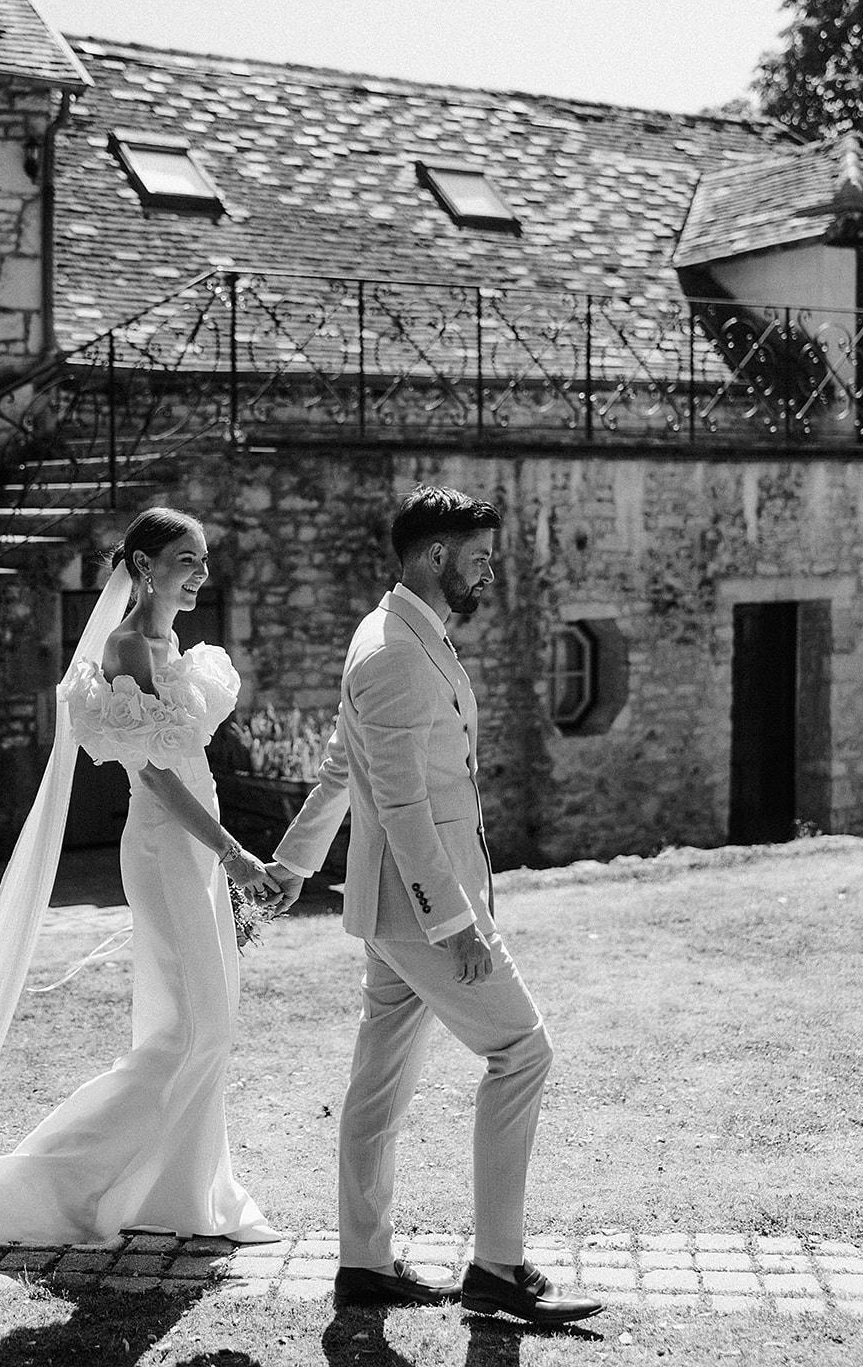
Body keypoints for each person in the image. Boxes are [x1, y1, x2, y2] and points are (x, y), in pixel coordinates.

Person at [266, 486, 603, 1324]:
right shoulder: (392, 655)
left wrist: (294, 861)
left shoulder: (400, 636)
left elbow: (345, 771)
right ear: (435, 555)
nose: (489, 570)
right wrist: (455, 925)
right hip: (422, 913)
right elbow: (406, 806)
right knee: (521, 1052)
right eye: (479, 556)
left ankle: (364, 1265)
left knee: (378, 1089)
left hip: (392, 912)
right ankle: (496, 1268)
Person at [0, 506, 282, 1246]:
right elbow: (154, 775)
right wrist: (231, 852)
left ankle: (179, 1191)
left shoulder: (170, 639)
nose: (201, 575)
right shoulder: (126, 648)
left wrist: (221, 850)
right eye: (188, 559)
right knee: (195, 1028)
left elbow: (184, 754)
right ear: (146, 565)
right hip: (166, 846)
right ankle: (50, 1182)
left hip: (196, 840)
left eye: (205, 560)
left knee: (197, 1026)